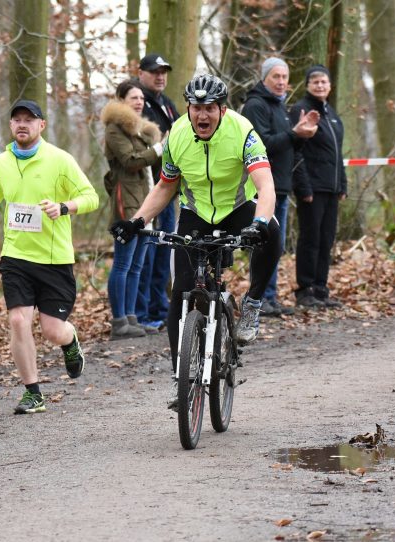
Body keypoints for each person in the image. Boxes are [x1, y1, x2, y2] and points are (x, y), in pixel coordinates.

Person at [111, 74, 282, 409]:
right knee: (182, 293)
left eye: (209, 109)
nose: (202, 116)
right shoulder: (177, 135)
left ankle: (254, 303)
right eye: (196, 108)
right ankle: (183, 376)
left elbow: (265, 185)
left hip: (238, 206)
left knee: (273, 233)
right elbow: (165, 186)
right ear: (188, 109)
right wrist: (136, 222)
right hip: (196, 213)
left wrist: (260, 221)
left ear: (222, 108)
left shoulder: (243, 132)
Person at [0, 99, 98, 414]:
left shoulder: (60, 160)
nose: (23, 124)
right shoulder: (1, 164)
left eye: (29, 120)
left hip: (54, 260)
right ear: (10, 126)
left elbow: (91, 197)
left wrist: (64, 207)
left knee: (52, 330)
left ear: (41, 125)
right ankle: (33, 392)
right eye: (17, 119)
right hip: (16, 257)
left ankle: (70, 339)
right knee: (18, 320)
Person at [242, 57, 320, 316]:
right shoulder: (256, 105)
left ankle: (270, 297)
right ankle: (257, 298)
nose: (281, 82)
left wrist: (301, 135)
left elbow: (286, 144)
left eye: (285, 77)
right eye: (276, 76)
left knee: (275, 245)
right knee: (264, 244)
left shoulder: (279, 106)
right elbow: (260, 145)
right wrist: (293, 134)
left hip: (282, 186)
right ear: (264, 77)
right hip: (263, 188)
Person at [101, 79, 165, 339]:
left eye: (141, 98)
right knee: (123, 264)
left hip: (145, 203)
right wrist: (160, 148)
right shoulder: (115, 129)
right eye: (133, 98)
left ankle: (132, 318)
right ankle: (119, 321)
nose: (139, 102)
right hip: (127, 204)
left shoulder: (141, 131)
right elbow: (130, 161)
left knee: (137, 266)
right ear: (121, 101)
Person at [290, 64, 347, 309]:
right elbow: (296, 151)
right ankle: (305, 289)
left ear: (330, 85)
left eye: (324, 82)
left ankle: (321, 288)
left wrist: (342, 183)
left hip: (331, 187)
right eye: (315, 82)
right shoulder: (301, 110)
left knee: (326, 239)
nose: (320, 86)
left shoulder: (331, 113)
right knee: (310, 239)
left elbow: (337, 153)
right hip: (312, 188)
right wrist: (304, 187)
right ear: (308, 86)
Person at [136, 53, 181, 331]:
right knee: (147, 254)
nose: (160, 76)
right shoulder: (137, 104)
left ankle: (160, 309)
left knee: (164, 253)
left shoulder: (167, 104)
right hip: (148, 190)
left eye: (164, 71)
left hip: (170, 189)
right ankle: (141, 314)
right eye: (154, 71)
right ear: (140, 73)